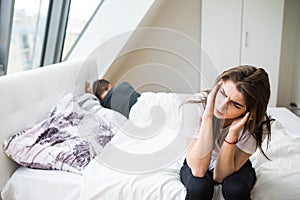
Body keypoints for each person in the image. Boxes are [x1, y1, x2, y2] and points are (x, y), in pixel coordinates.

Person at [180, 65, 273, 200]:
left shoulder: (259, 124)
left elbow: (220, 176)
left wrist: (232, 134)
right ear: (219, 85)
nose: (222, 105)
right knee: (199, 188)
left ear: (250, 112)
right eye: (223, 93)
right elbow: (198, 170)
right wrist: (208, 117)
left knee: (236, 189)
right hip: (197, 159)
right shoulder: (195, 104)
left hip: (234, 164)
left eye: (235, 104)